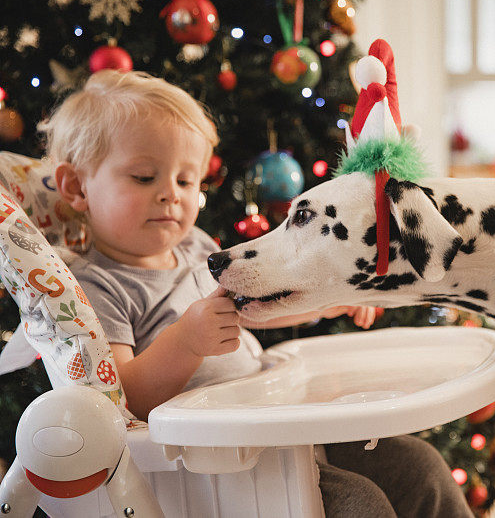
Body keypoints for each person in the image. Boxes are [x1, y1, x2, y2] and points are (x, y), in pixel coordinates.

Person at [39, 69, 472, 518]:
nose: (171, 195)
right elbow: (119, 403)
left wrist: (329, 303)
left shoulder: (195, 247)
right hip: (215, 467)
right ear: (76, 187)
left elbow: (250, 310)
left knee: (420, 467)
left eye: (187, 181)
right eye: (144, 177)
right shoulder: (95, 285)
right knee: (360, 504)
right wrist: (185, 342)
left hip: (277, 425)